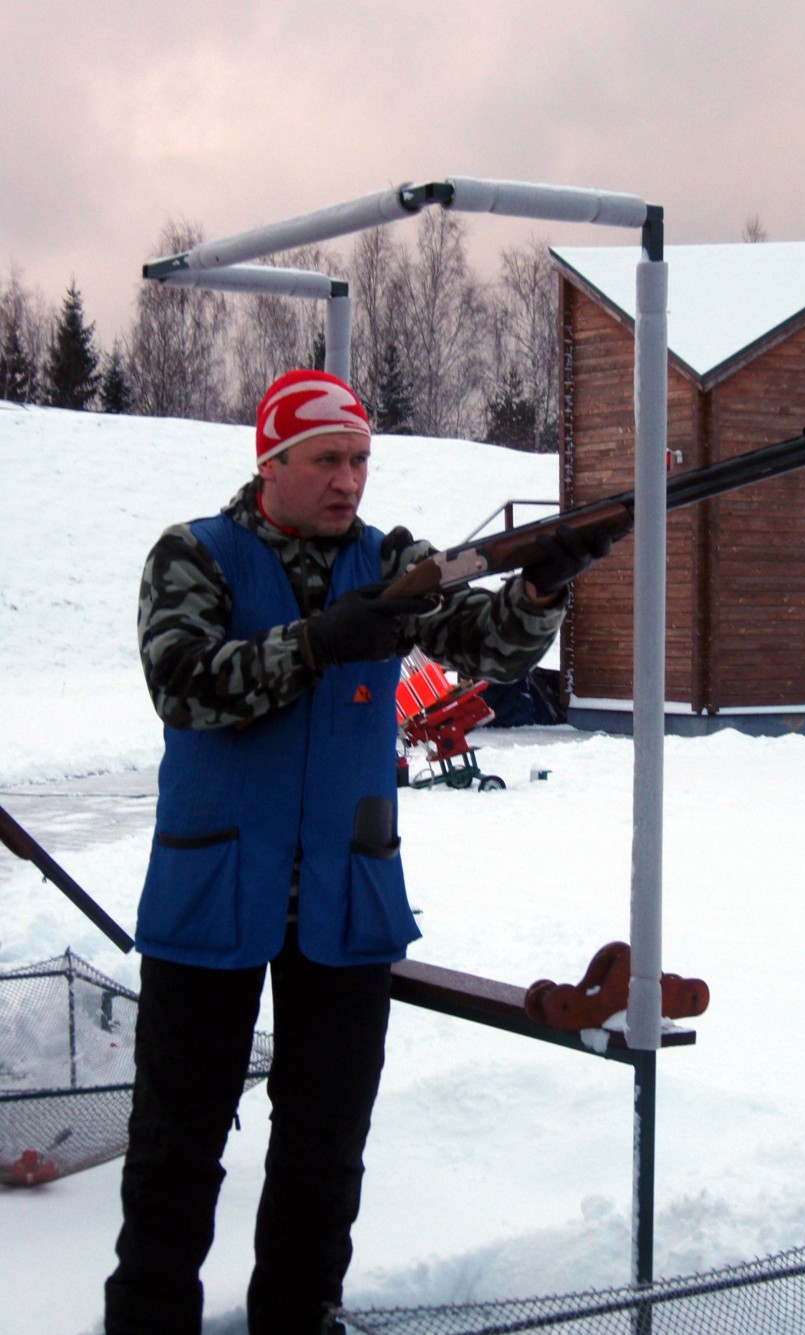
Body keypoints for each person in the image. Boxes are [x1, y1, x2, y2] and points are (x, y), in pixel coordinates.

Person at [104, 369, 610, 1335]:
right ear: (271, 463)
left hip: (347, 895)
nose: (349, 480)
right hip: (214, 888)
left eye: (361, 460)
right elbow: (184, 685)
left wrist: (543, 584)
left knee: (325, 1144)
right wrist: (318, 642)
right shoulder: (193, 555)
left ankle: (298, 1317)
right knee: (175, 1144)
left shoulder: (391, 560)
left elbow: (490, 647)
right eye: (327, 459)